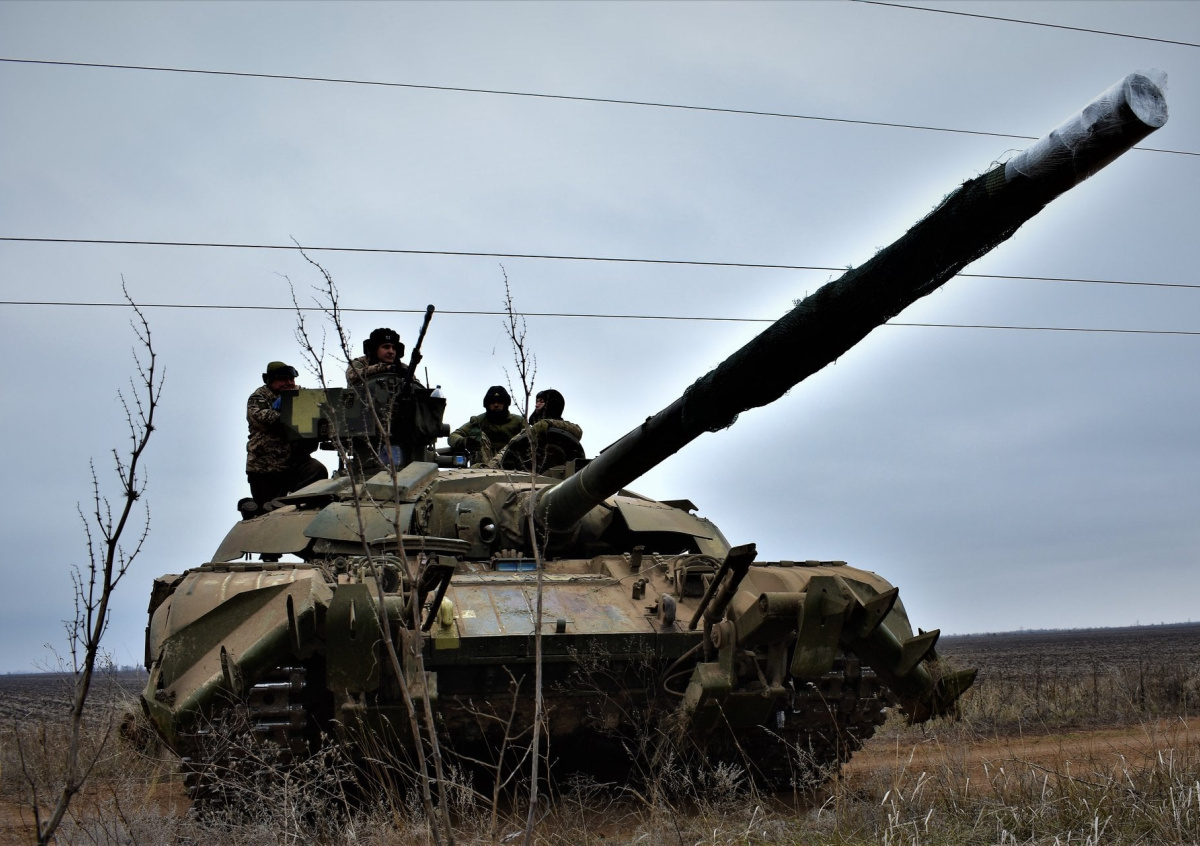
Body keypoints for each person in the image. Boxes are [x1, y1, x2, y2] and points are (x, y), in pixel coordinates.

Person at [246, 361, 329, 508]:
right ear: (270, 381)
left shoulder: (299, 394)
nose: (289, 383)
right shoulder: (259, 397)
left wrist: (299, 402)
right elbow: (264, 419)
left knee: (316, 469)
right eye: (283, 380)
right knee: (268, 510)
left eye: (291, 379)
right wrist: (288, 408)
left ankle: (297, 502)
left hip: (294, 463)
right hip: (265, 468)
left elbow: (319, 405)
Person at [447, 385, 525, 465]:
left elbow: (531, 437)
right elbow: (453, 436)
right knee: (478, 435)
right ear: (487, 404)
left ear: (506, 403)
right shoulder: (479, 421)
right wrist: (465, 442)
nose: (496, 405)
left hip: (513, 464)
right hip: (483, 466)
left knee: (522, 435)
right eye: (492, 402)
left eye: (500, 401)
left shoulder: (518, 421)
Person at [346, 327, 423, 387]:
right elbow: (352, 376)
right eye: (386, 347)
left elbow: (415, 384)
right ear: (375, 349)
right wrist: (385, 368)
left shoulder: (402, 367)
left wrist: (408, 374)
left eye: (394, 348)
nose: (391, 351)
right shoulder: (361, 362)